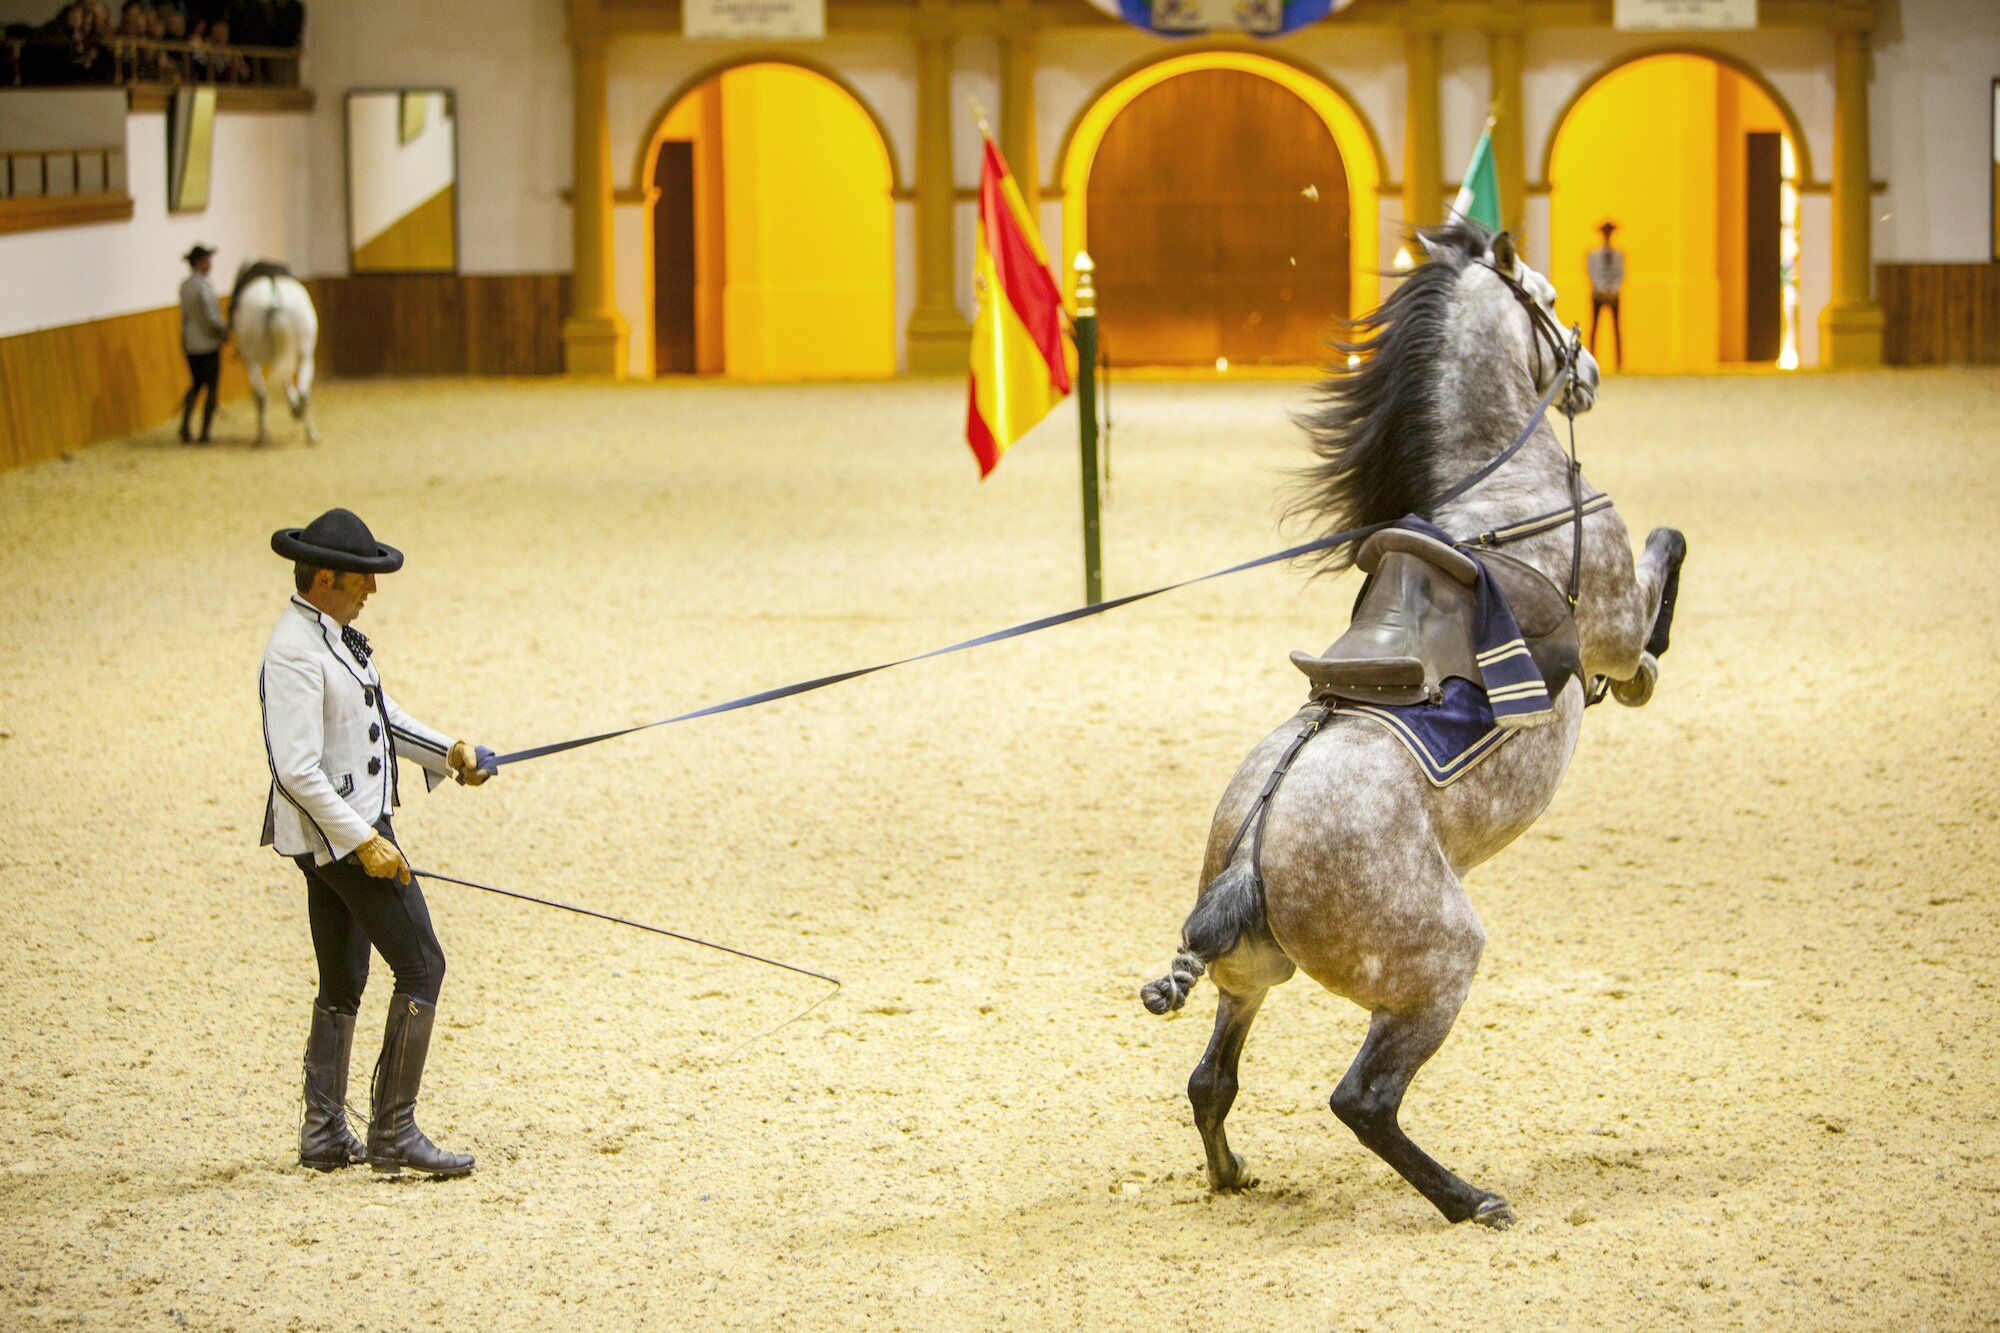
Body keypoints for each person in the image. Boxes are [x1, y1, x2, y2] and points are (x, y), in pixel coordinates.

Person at [260, 508, 496, 1177]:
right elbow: (295, 769)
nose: (372, 588)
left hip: (341, 832)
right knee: (422, 965)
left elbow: (379, 716)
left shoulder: (330, 636)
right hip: (342, 835)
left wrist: (449, 752)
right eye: (361, 577)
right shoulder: (295, 652)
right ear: (324, 579)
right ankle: (392, 1129)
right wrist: (364, 840)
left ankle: (324, 1132)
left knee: (344, 976)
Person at [179, 244, 227, 443]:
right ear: (199, 262)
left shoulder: (185, 285)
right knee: (212, 387)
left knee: (196, 384)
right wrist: (224, 330)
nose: (210, 264)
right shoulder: (204, 286)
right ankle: (204, 433)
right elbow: (211, 316)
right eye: (207, 260)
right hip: (207, 344)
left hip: (191, 343)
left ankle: (185, 426)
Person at [1586, 220, 1624, 372]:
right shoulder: (1593, 255)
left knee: (1616, 328)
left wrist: (1612, 290)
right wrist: (1601, 289)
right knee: (1594, 327)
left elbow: (1620, 274)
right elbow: (1592, 273)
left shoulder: (1619, 255)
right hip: (1598, 294)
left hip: (1613, 295)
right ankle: (1591, 360)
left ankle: (1619, 363)